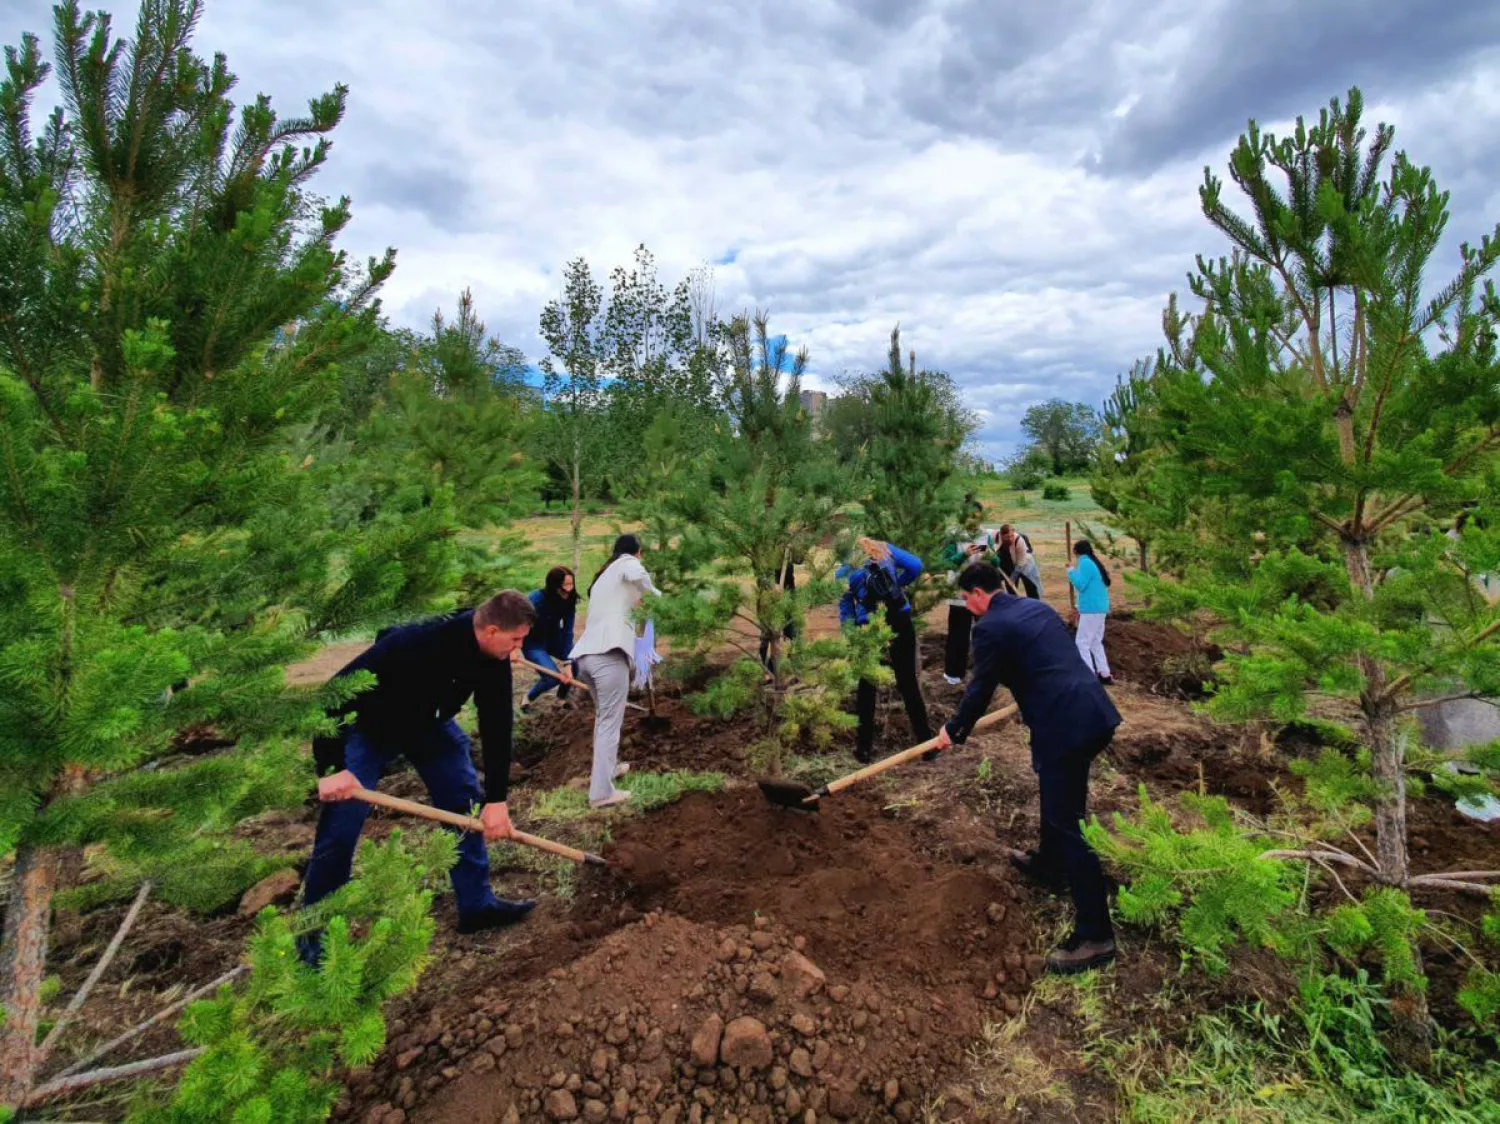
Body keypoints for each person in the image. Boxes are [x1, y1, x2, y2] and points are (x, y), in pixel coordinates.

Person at [302, 592, 538, 960]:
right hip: (369, 728)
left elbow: (496, 725)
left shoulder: (494, 657)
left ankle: (477, 905)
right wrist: (333, 768)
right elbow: (332, 695)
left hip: (428, 725)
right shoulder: (415, 642)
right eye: (516, 640)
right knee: (341, 827)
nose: (519, 649)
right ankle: (313, 944)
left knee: (463, 798)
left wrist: (497, 799)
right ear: (491, 630)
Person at [933, 561, 1122, 974]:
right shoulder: (1034, 608)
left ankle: (1096, 936)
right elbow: (1044, 659)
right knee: (1057, 797)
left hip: (1065, 726)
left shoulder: (989, 628)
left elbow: (981, 686)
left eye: (967, 601)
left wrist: (955, 728)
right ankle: (1051, 865)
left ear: (979, 594)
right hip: (1090, 712)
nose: (968, 609)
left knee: (1068, 822)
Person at [569, 534, 661, 808]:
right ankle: (601, 794)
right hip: (608, 656)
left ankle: (609, 770)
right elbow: (638, 575)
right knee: (610, 723)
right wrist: (659, 598)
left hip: (586, 657)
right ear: (638, 552)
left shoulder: (604, 576)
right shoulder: (627, 564)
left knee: (604, 719)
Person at [838, 536, 933, 763]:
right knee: (908, 682)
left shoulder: (845, 569)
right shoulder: (884, 550)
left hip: (870, 627)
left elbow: (845, 606)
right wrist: (898, 584)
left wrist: (851, 633)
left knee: (867, 686)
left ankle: (864, 749)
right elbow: (916, 566)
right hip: (900, 618)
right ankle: (927, 744)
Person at [521, 567, 579, 714]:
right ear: (554, 585)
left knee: (575, 663)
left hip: (555, 639)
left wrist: (567, 661)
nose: (569, 589)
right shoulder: (535, 600)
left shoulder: (569, 601)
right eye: (565, 585)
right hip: (533, 643)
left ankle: (560, 699)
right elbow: (518, 621)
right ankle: (527, 698)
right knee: (552, 677)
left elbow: (567, 631)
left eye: (571, 584)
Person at [1068, 541, 1113, 685]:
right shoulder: (1092, 563)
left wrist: (1070, 571)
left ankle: (1089, 676)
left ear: (1075, 551)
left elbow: (1081, 585)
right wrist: (1077, 606)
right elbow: (1092, 588)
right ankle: (1104, 674)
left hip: (1092, 609)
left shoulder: (1085, 564)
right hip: (1099, 608)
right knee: (1095, 642)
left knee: (1082, 642)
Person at [995, 524, 1043, 599]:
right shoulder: (995, 536)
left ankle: (1035, 605)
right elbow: (986, 545)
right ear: (1001, 535)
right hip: (1008, 565)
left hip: (1025, 564)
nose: (1010, 539)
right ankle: (1014, 606)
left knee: (1031, 588)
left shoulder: (1019, 540)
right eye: (1007, 537)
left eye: (1012, 536)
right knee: (1012, 591)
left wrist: (1012, 578)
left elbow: (1021, 563)